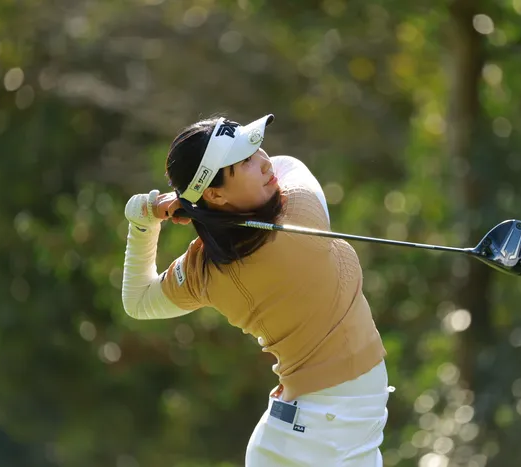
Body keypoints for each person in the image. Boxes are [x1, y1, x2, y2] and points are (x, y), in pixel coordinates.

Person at [121, 113, 392, 466]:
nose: (264, 162)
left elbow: (139, 299)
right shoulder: (301, 215)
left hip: (307, 425)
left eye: (255, 149)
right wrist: (188, 202)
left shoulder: (204, 270)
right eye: (245, 161)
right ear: (215, 192)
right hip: (327, 427)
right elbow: (290, 164)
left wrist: (144, 218)